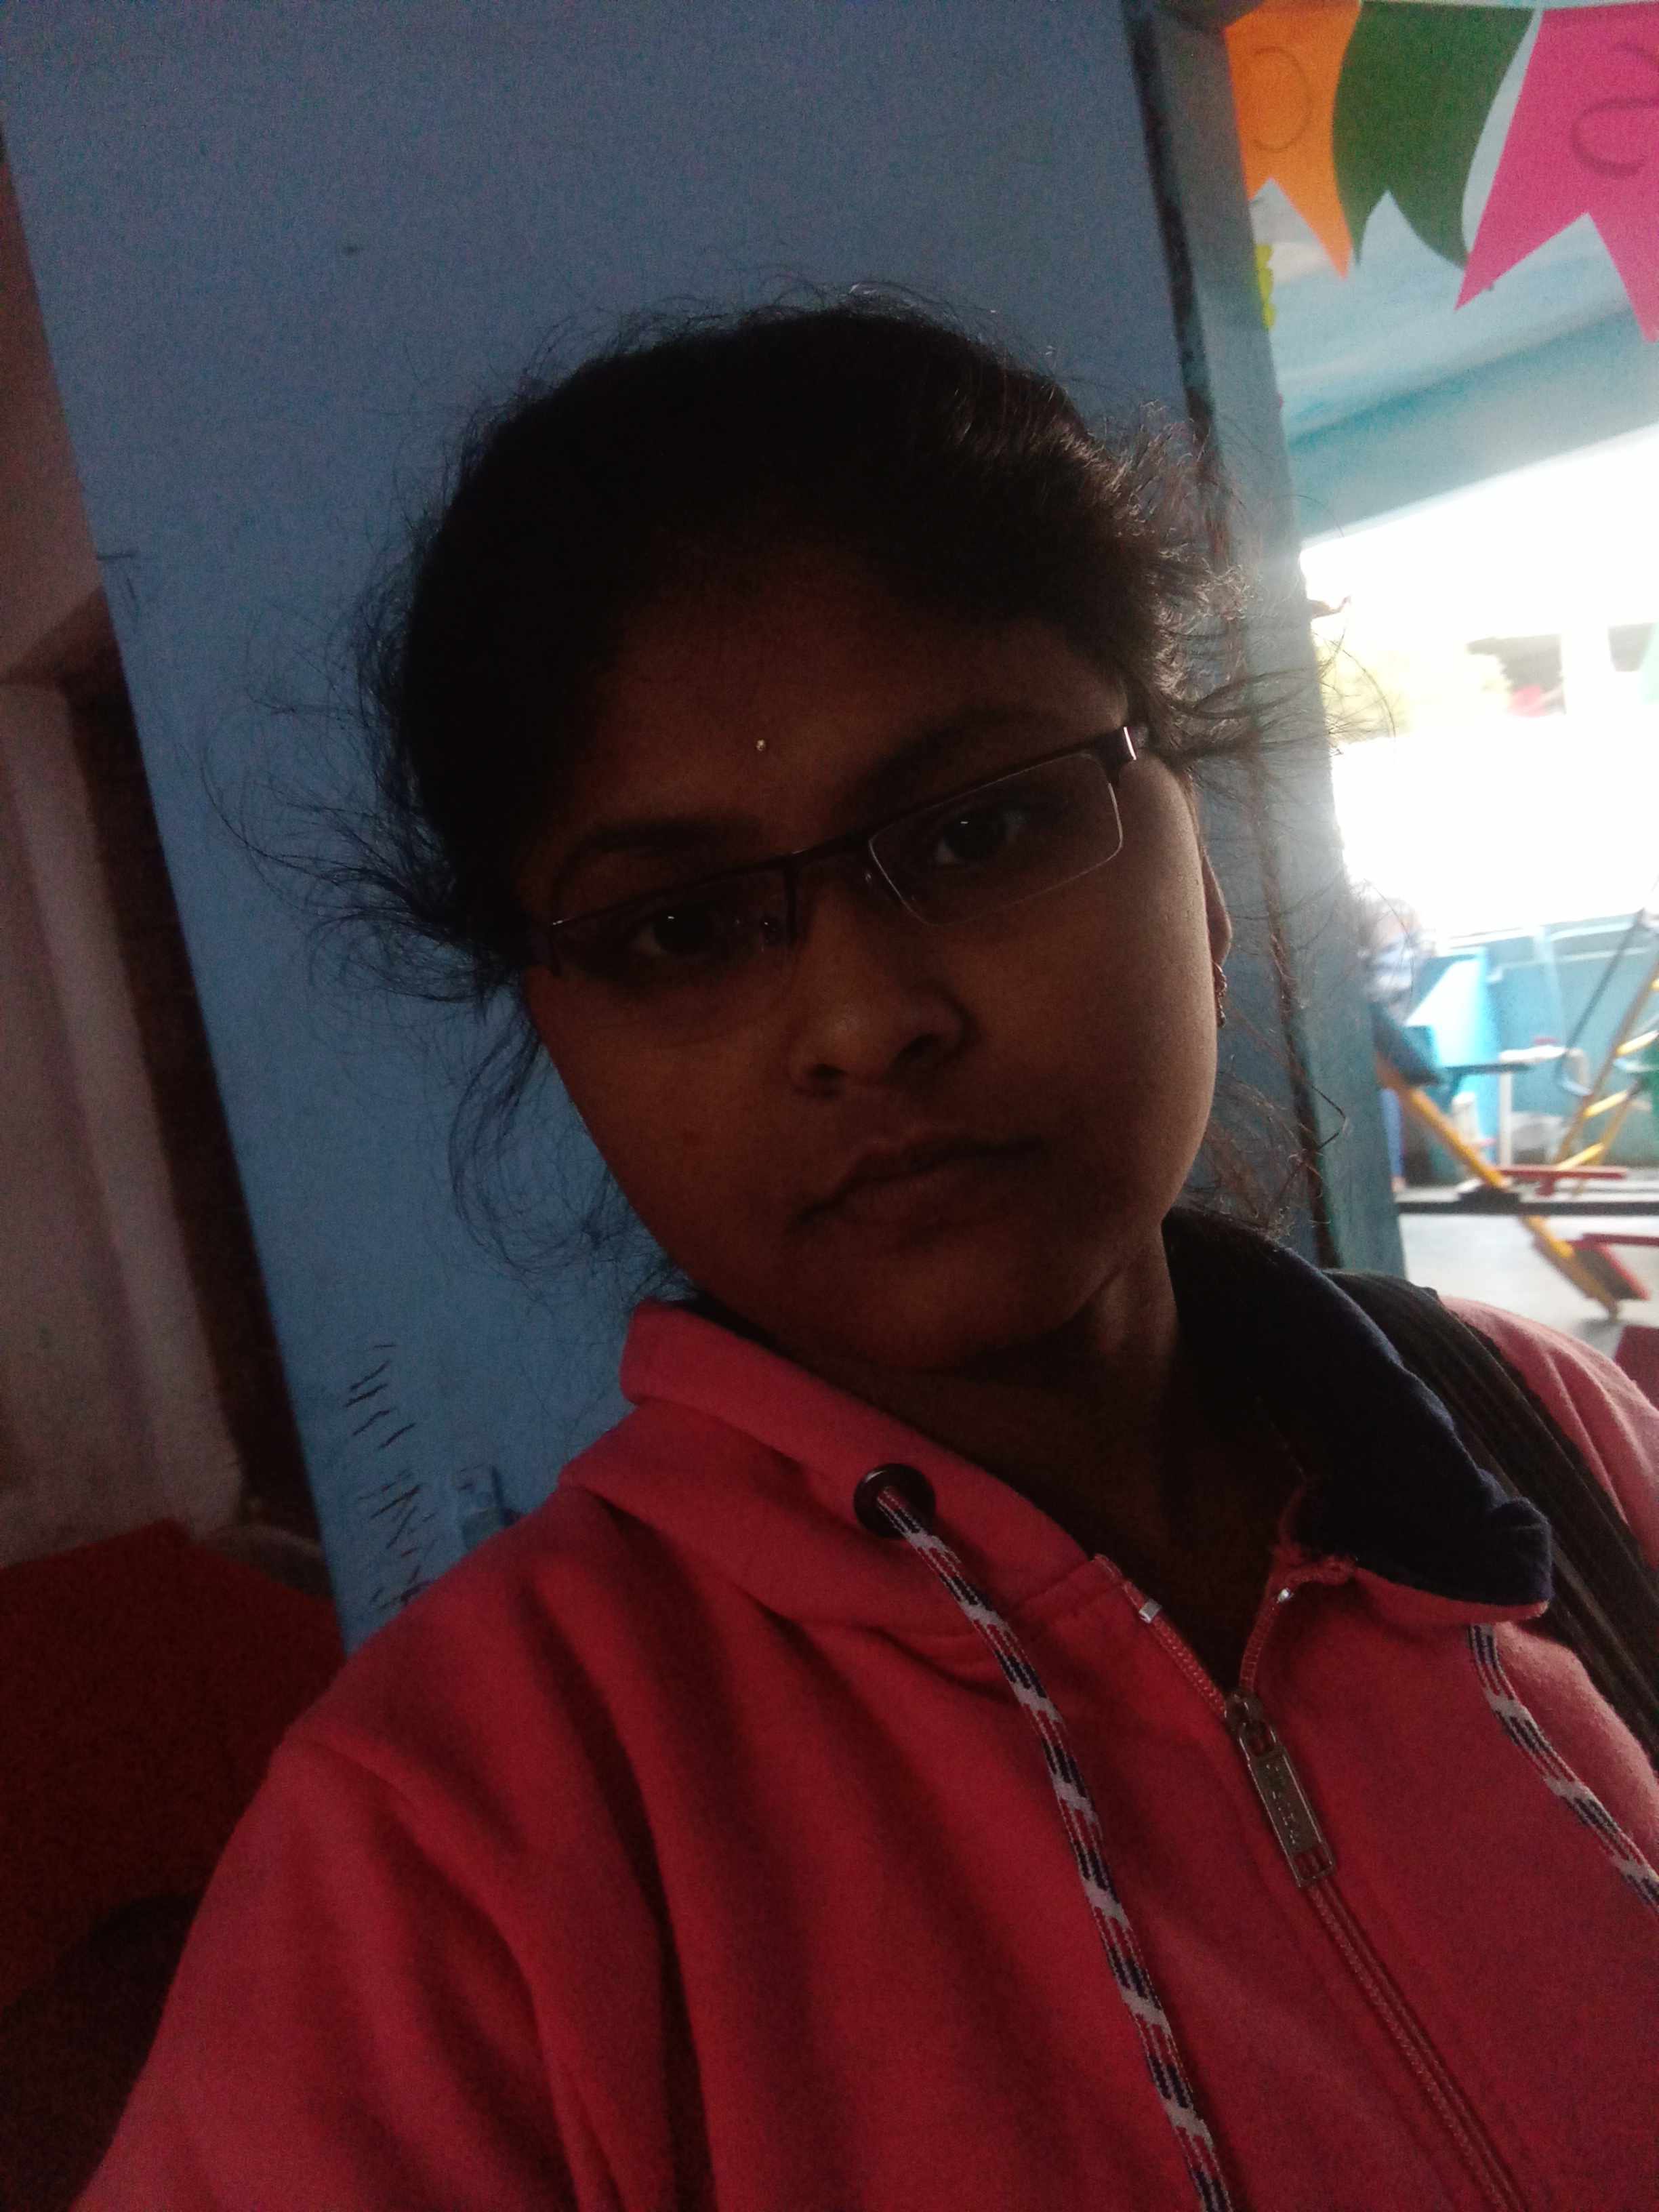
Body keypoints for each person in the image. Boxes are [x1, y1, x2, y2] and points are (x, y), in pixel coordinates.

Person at [81, 300, 1659, 2211]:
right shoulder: (462, 1842)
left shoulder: (1547, 1443)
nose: (864, 1019)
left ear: (1202, 869)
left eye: (982, 830)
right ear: (563, 1039)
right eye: (679, 929)